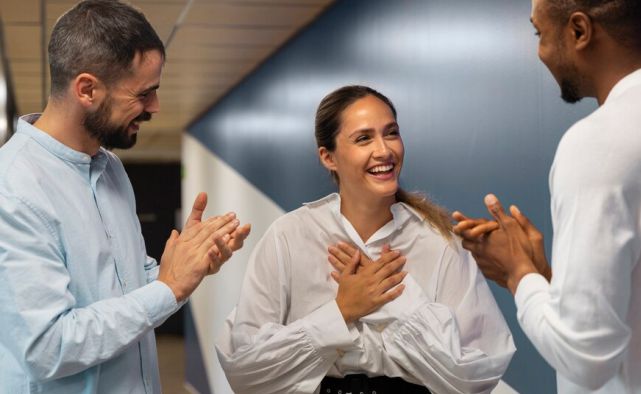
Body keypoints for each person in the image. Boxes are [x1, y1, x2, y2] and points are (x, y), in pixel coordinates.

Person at [0, 1, 250, 393]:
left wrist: (186, 264)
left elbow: (130, 284)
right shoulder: (13, 187)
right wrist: (168, 289)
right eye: (144, 93)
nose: (155, 107)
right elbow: (48, 346)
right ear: (87, 89)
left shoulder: (111, 169)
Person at [216, 85, 515, 394]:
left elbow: (476, 376)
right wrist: (342, 311)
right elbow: (246, 371)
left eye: (391, 133)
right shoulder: (288, 237)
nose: (384, 150)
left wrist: (398, 300)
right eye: (363, 138)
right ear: (328, 157)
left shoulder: (439, 242)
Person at [452, 0, 641, 393]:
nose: (538, 52)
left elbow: (585, 359)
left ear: (578, 31)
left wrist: (518, 272)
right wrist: (549, 281)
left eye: (539, 34)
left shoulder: (600, 143)